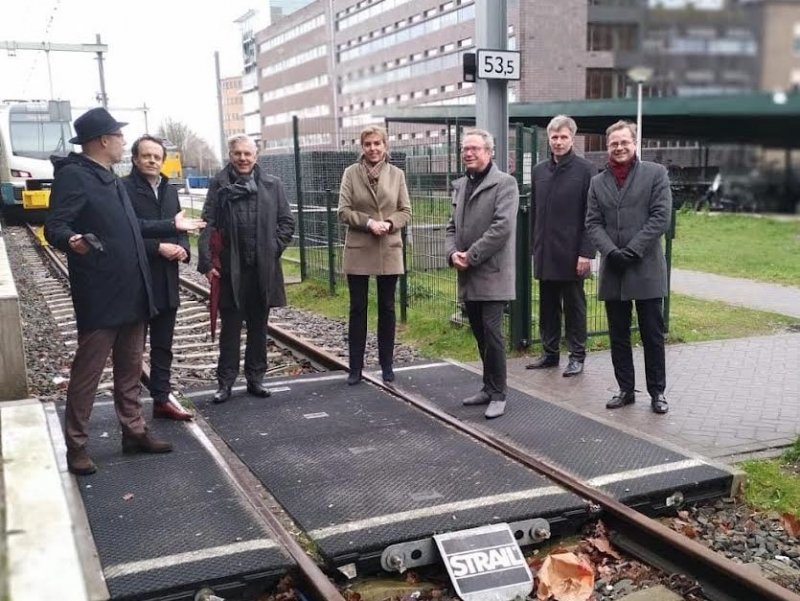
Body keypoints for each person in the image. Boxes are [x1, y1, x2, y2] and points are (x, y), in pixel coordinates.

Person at [44, 107, 205, 475]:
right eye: (118, 137)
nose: (122, 142)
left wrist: (170, 224)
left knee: (131, 365)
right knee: (89, 371)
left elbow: (131, 228)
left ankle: (133, 431)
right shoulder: (75, 177)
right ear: (103, 141)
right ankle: (77, 446)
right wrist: (72, 240)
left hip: (133, 290)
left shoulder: (109, 178)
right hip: (101, 293)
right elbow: (55, 226)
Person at [197, 134, 295, 404]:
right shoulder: (219, 184)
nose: (243, 158)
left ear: (256, 156)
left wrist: (271, 249)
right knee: (230, 329)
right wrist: (206, 263)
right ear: (230, 155)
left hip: (262, 269)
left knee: (258, 327)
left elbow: (287, 223)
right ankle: (225, 383)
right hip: (230, 270)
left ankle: (256, 379)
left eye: (247, 154)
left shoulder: (272, 185)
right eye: (237, 153)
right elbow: (208, 223)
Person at [585, 120, 671, 415]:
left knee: (652, 333)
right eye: (613, 144)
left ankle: (657, 392)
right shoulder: (597, 182)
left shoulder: (655, 174)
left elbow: (660, 218)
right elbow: (592, 223)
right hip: (614, 269)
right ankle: (625, 389)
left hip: (645, 266)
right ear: (607, 147)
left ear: (635, 144)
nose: (619, 148)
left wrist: (632, 250)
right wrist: (610, 251)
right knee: (618, 334)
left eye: (624, 142)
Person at [445, 128, 519, 419]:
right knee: (478, 332)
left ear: (490, 152)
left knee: (492, 333)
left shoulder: (505, 184)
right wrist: (453, 254)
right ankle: (488, 387)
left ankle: (499, 393)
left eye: (475, 148)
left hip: (493, 273)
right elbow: (451, 227)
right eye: (465, 149)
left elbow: (501, 228)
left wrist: (471, 255)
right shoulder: (462, 185)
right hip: (468, 273)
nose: (469, 153)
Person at [123, 135, 193, 421]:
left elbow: (180, 227)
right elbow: (125, 231)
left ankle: (162, 400)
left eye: (157, 157)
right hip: (138, 282)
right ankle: (130, 409)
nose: (152, 161)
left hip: (167, 280)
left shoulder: (170, 189)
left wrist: (184, 251)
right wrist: (158, 247)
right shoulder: (123, 189)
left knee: (164, 345)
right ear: (135, 159)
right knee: (132, 350)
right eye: (146, 156)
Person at [337, 125, 412, 385]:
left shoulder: (397, 174)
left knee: (387, 307)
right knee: (358, 308)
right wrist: (369, 223)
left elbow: (405, 210)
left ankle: (387, 364)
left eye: (377, 143)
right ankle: (355, 367)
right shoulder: (350, 174)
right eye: (368, 144)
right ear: (362, 147)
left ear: (385, 146)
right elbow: (343, 211)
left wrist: (390, 224)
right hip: (359, 245)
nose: (373, 148)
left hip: (388, 247)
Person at [526, 115, 596, 377]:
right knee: (547, 305)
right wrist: (534, 246)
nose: (558, 142)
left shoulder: (586, 170)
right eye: (554, 137)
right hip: (545, 251)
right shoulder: (539, 170)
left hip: (572, 253)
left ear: (572, 138)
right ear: (549, 138)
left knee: (574, 306)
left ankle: (577, 355)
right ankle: (550, 353)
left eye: (563, 137)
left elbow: (592, 215)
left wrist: (586, 253)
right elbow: (535, 211)